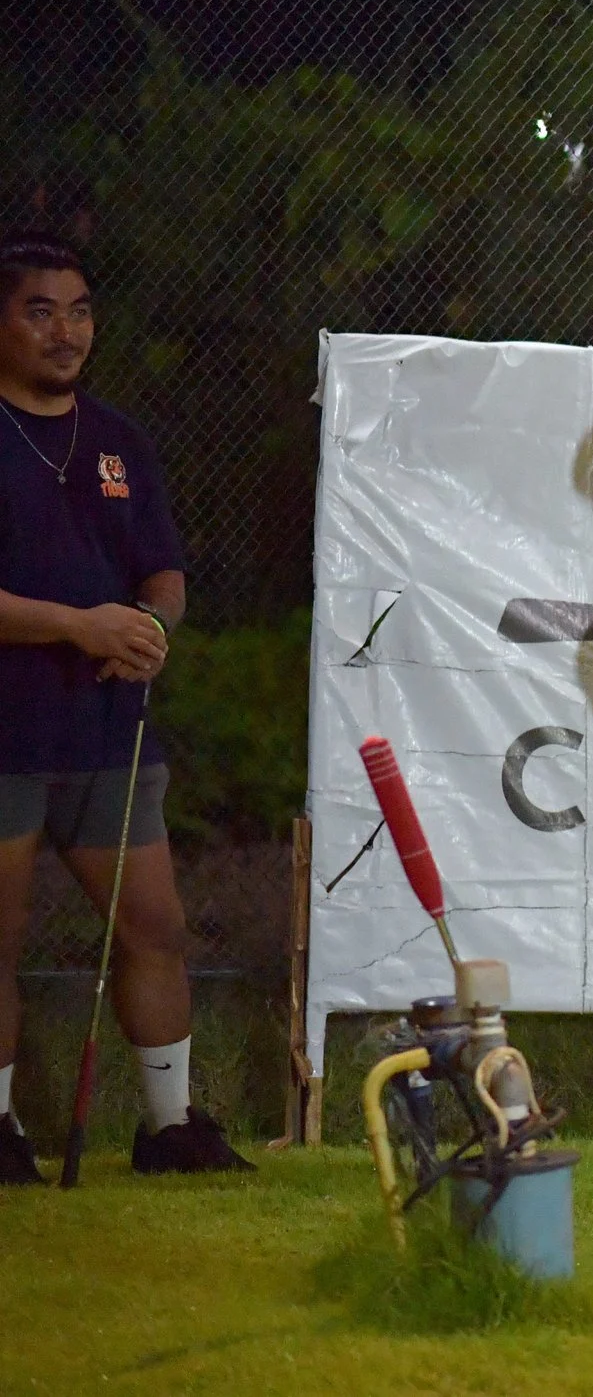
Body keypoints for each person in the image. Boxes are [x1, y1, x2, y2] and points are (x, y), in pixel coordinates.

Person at [0, 229, 252, 1182]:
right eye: (39, 311)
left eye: (79, 311)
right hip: (8, 735)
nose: (65, 331)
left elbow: (164, 575)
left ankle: (170, 1126)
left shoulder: (120, 441)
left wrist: (147, 625)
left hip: (111, 735)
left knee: (154, 929)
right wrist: (79, 625)